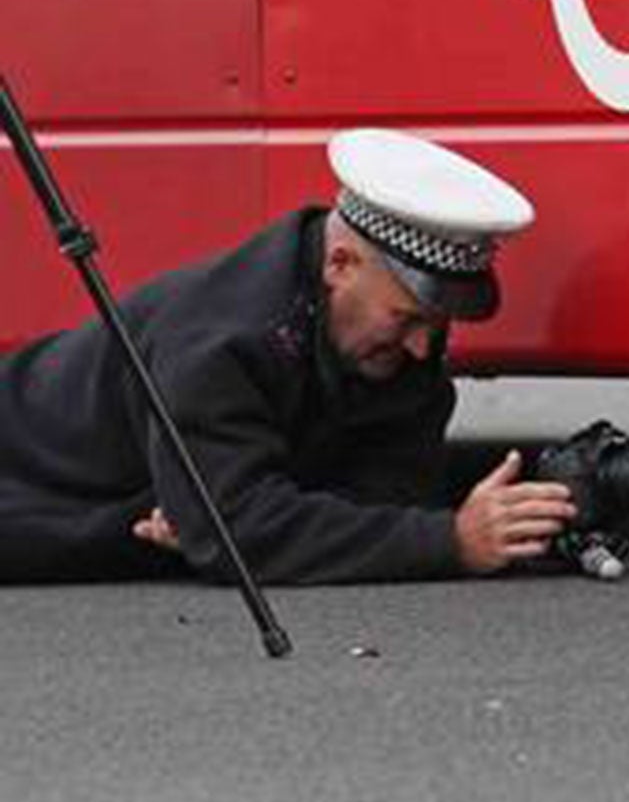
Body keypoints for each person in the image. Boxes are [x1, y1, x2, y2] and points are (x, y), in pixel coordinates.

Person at [0, 129, 576, 583]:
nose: (423, 347)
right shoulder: (220, 342)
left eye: (437, 325)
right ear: (340, 265)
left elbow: (387, 495)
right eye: (407, 319)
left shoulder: (392, 345)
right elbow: (239, 531)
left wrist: (225, 521)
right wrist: (451, 542)